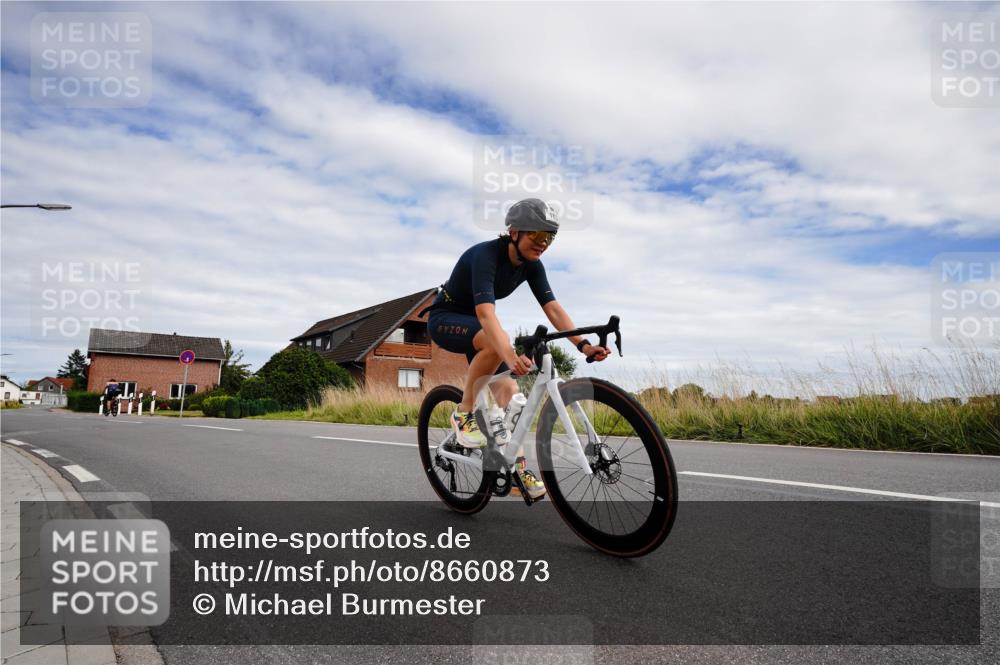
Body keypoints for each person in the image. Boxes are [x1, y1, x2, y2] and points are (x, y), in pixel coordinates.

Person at [425, 198, 610, 499]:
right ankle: (463, 413)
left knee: (509, 392)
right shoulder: (486, 255)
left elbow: (553, 309)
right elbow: (486, 316)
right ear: (514, 232)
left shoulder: (533, 267)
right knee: (497, 339)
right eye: (536, 236)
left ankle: (516, 467)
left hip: (479, 327)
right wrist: (509, 354)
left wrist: (584, 346)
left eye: (549, 238)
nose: (543, 244)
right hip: (446, 318)